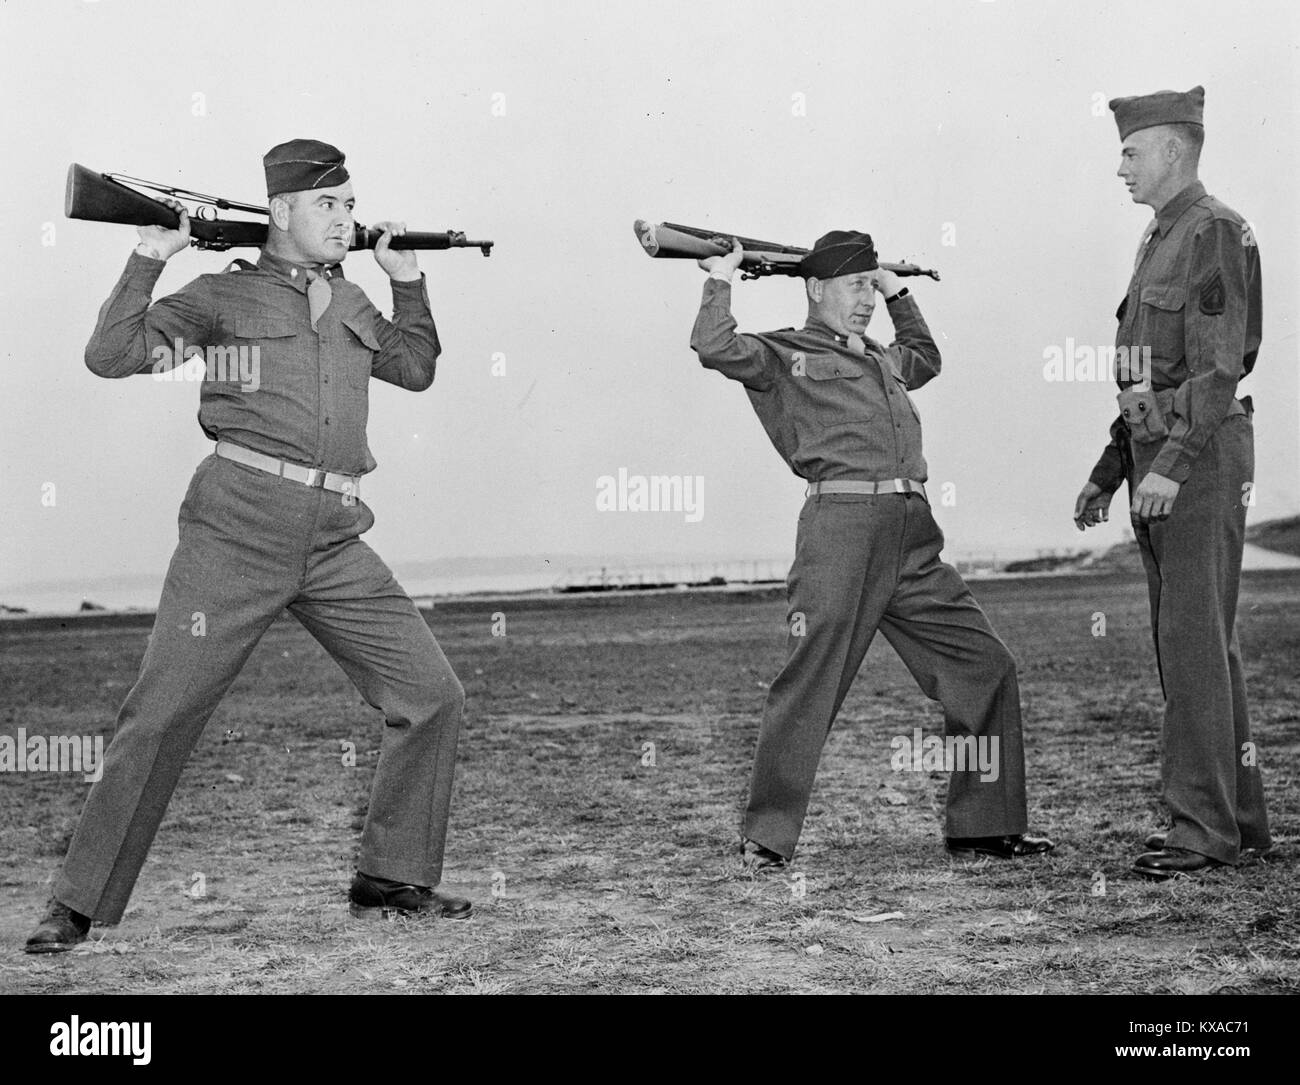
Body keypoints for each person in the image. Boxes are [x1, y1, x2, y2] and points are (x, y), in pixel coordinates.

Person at [25, 139, 470, 954]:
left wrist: (410, 285)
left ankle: (391, 874)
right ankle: (76, 903)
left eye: (348, 203)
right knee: (161, 713)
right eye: (328, 205)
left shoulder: (350, 301)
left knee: (430, 692)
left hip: (336, 536)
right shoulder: (220, 298)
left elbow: (414, 368)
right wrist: (146, 258)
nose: (346, 218)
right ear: (279, 213)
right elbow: (111, 355)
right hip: (237, 525)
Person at [690, 232, 1054, 869]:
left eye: (871, 286)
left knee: (985, 664)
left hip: (913, 534)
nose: (867, 299)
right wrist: (721, 278)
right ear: (815, 288)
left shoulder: (880, 356)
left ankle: (985, 826)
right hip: (842, 529)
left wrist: (899, 291)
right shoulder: (783, 353)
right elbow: (714, 345)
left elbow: (927, 359)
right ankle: (767, 837)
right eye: (856, 285)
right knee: (813, 679)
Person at [1074, 87, 1270, 878]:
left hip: (1200, 458)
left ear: (1173, 150)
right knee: (1202, 649)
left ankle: (1201, 832)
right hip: (1164, 458)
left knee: (1191, 648)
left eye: (1130, 151)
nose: (1119, 166)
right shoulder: (1162, 236)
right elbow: (1147, 381)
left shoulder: (1211, 229)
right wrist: (1109, 469)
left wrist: (1169, 466)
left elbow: (1219, 369)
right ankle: (1239, 823)